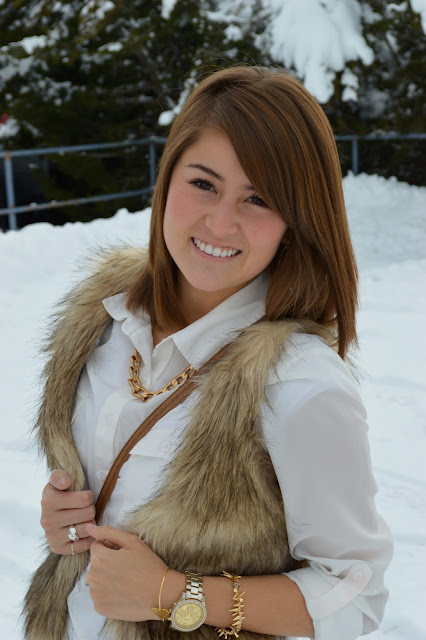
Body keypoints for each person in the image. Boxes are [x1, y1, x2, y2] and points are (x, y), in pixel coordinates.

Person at [23, 65, 393, 640]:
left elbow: (356, 598)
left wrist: (174, 593)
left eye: (259, 198)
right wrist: (68, 522)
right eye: (204, 184)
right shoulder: (101, 326)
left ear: (295, 222)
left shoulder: (299, 383)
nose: (221, 223)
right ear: (167, 177)